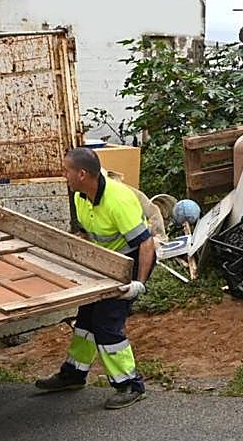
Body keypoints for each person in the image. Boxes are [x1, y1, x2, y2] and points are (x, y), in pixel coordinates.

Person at [35, 147, 155, 409]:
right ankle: (74, 374)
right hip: (104, 264)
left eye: (66, 170)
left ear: (82, 173)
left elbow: (146, 245)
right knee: (87, 319)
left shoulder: (118, 200)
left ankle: (130, 385)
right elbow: (88, 235)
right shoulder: (80, 195)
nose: (63, 175)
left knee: (107, 324)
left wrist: (139, 284)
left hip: (130, 264)